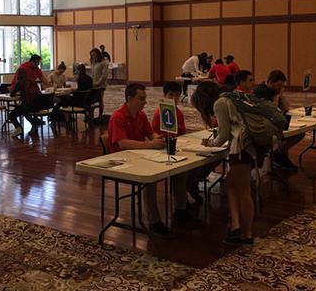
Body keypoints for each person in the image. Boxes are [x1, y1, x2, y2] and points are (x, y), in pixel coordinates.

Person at [108, 83, 178, 235]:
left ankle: (181, 209)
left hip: (139, 157)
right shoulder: (118, 117)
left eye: (145, 98)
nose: (145, 102)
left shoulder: (141, 115)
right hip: (122, 162)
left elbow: (151, 134)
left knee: (177, 169)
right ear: (129, 98)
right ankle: (154, 222)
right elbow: (123, 143)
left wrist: (159, 139)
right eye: (141, 99)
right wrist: (150, 144)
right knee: (149, 179)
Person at [192, 80, 255, 245]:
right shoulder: (233, 95)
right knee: (231, 185)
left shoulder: (220, 103)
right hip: (251, 145)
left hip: (242, 147)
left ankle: (246, 234)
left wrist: (209, 144)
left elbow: (223, 136)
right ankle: (235, 227)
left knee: (243, 190)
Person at [152, 81, 210, 209]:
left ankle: (189, 186)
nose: (174, 98)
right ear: (164, 95)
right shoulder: (160, 113)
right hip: (163, 148)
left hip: (178, 145)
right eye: (171, 95)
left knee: (201, 161)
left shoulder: (178, 112)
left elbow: (182, 132)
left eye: (177, 95)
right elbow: (157, 135)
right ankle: (184, 191)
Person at [253, 70, 301, 171]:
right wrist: (276, 96)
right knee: (285, 136)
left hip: (275, 121)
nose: (280, 88)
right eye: (279, 85)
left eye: (282, 86)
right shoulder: (261, 91)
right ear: (270, 82)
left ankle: (279, 154)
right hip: (262, 124)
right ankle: (277, 154)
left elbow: (286, 108)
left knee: (299, 133)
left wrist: (281, 95)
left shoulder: (276, 91)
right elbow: (272, 111)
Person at [90, 48, 109, 119]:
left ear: (98, 54)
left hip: (101, 85)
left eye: (94, 54)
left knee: (100, 100)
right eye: (92, 55)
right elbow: (92, 74)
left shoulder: (103, 63)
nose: (93, 56)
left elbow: (104, 75)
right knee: (91, 100)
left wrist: (98, 83)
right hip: (93, 84)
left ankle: (100, 115)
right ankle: (91, 116)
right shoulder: (93, 63)